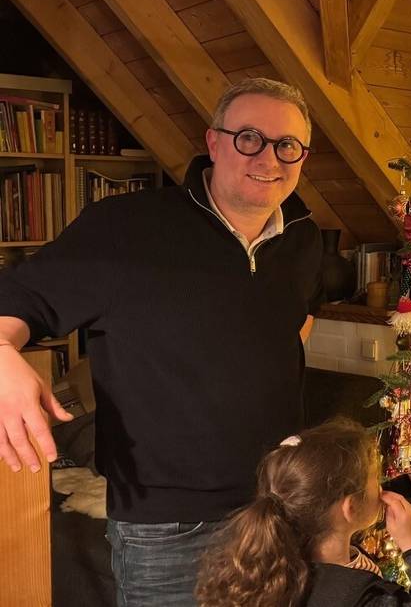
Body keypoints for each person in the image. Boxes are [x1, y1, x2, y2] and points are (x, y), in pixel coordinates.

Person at [0, 77, 314, 605]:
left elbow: (295, 324)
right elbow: (20, 296)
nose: (268, 157)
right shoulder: (126, 228)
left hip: (276, 509)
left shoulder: (303, 236)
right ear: (213, 142)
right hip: (165, 528)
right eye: (249, 138)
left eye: (287, 145)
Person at [195, 419, 411, 607]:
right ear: (349, 508)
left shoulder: (282, 558)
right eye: (376, 478)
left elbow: (360, 503)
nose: (380, 488)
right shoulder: (356, 597)